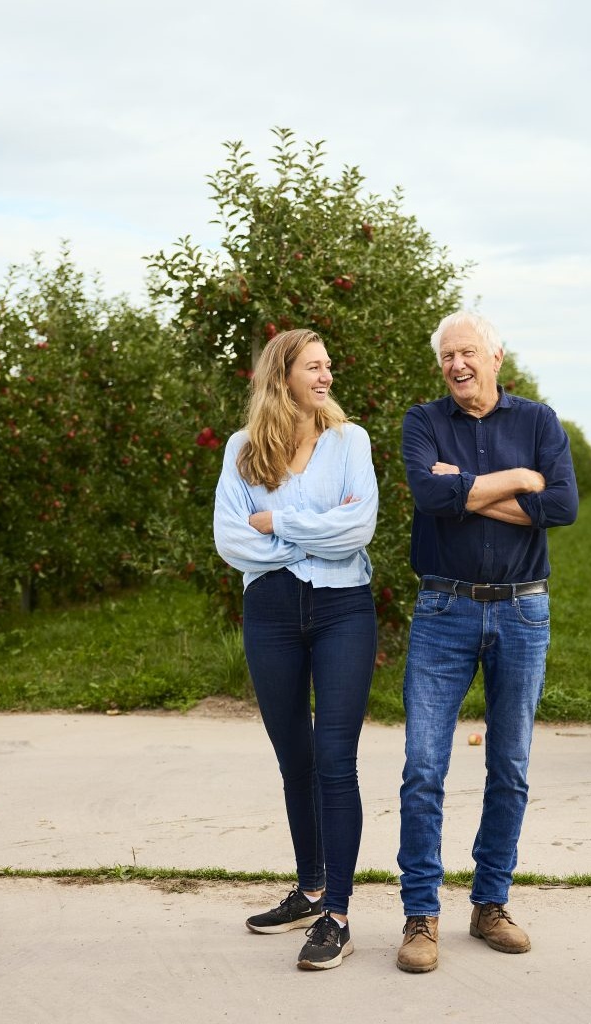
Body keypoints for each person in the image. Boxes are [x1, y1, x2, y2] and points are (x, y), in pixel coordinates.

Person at [394, 310, 579, 974]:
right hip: (443, 608)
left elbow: (562, 507)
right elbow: (425, 491)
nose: (457, 365)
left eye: (467, 351)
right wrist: (519, 482)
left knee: (511, 769)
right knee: (423, 768)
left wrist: (465, 491)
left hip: (522, 614)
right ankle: (422, 913)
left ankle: (490, 903)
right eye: (447, 356)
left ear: (497, 355)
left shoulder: (539, 422)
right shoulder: (424, 421)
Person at [213, 329, 379, 972]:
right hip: (272, 615)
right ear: (282, 376)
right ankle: (309, 890)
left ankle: (337, 914)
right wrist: (316, 539)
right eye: (315, 366)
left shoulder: (349, 441)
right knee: (294, 757)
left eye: (329, 366)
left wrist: (278, 522)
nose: (327, 376)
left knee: (336, 759)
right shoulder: (243, 449)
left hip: (344, 610)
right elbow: (231, 540)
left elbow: (359, 529)